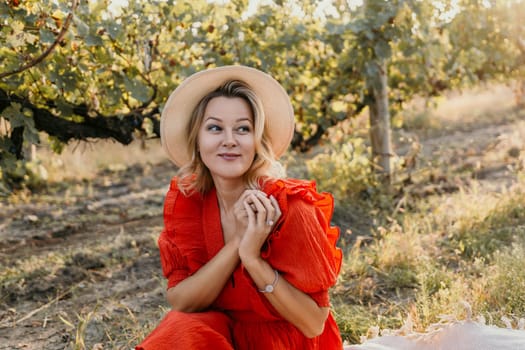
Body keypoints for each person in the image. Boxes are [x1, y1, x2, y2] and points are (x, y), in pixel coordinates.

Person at [136, 65, 343, 349]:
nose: (229, 140)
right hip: (226, 339)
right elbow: (182, 300)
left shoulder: (291, 207)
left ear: (258, 141)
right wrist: (236, 244)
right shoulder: (191, 203)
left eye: (243, 129)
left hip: (284, 343)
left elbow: (313, 323)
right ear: (197, 140)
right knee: (181, 326)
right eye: (215, 128)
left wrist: (253, 259)